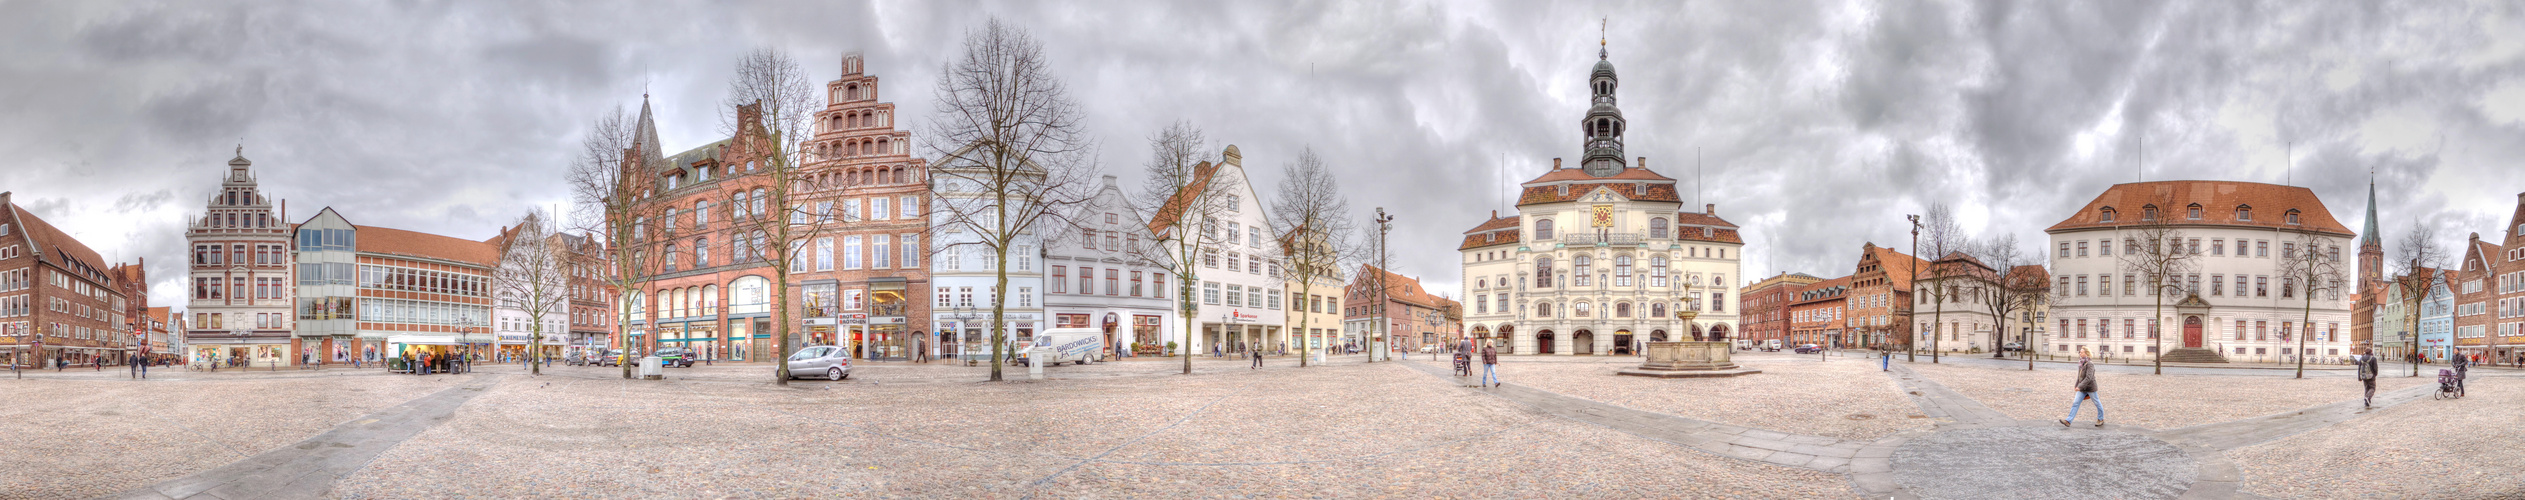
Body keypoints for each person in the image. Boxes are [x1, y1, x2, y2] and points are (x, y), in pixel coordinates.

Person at [2060, 347, 2103, 427]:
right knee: (2075, 403)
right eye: (2080, 352)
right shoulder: (2081, 363)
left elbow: (2088, 378)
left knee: (2097, 403)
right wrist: (2076, 385)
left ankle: (2101, 419)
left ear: (2086, 353)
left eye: (2081, 352)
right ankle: (2068, 421)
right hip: (2082, 388)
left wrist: (2079, 386)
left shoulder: (2090, 364)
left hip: (2090, 388)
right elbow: (2079, 376)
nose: (2080, 353)